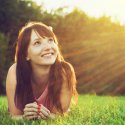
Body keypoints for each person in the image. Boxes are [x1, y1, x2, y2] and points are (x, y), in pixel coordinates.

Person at [6, 21, 78, 120]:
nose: (48, 47)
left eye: (50, 40)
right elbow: (14, 116)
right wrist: (24, 117)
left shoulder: (64, 72)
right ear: (26, 54)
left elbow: (61, 115)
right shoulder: (15, 72)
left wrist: (47, 116)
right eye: (37, 43)